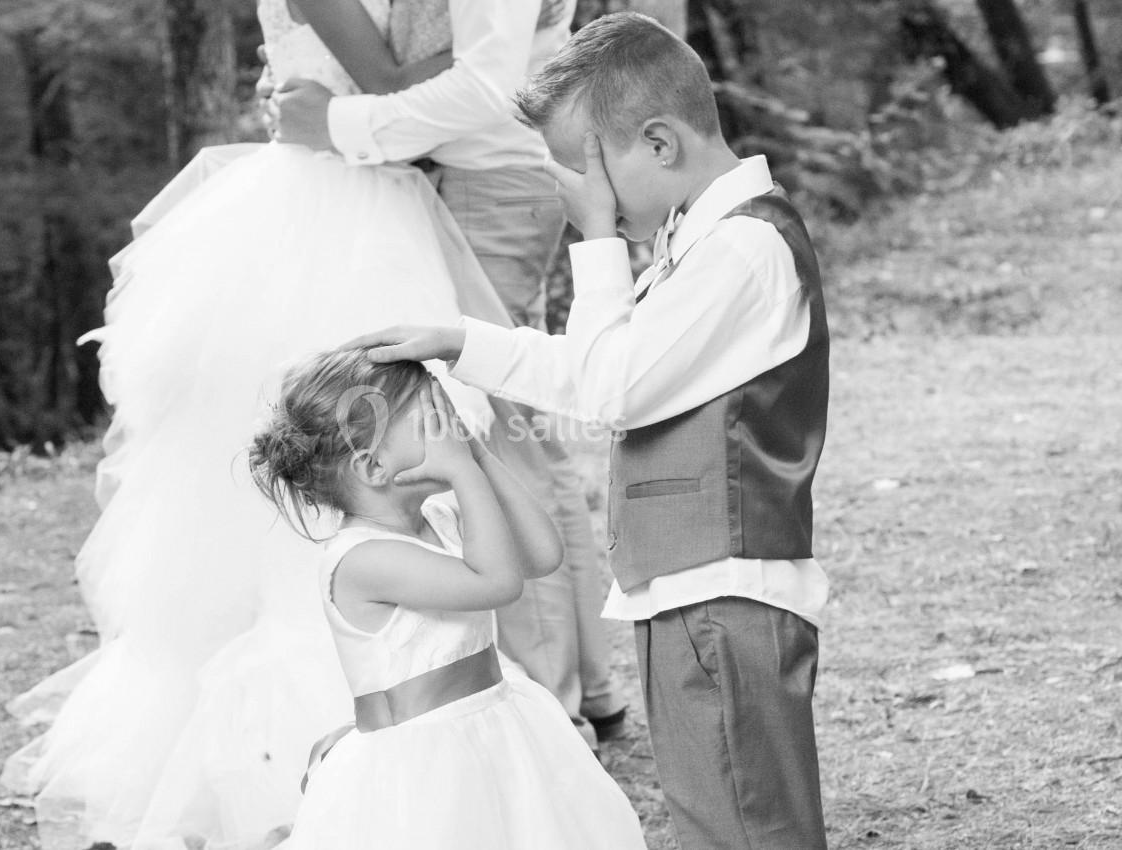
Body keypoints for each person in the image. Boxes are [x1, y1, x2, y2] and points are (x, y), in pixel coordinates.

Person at [1, 2, 581, 848]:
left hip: (384, 177)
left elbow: (432, 76)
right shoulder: (376, 551)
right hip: (337, 189)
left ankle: (540, 684)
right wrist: (504, 65)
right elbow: (395, 77)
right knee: (376, 408)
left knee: (463, 407)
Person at [351, 12, 832, 850]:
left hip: (722, 583)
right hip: (688, 581)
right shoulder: (701, 237)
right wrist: (463, 340)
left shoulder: (745, 250)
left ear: (658, 142)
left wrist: (599, 240)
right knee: (716, 813)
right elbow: (598, 368)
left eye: (585, 170)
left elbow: (607, 389)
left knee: (746, 824)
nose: (579, 195)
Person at [273, 0, 628, 746]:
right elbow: (439, 65)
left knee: (495, 431)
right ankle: (584, 684)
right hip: (440, 179)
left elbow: (485, 79)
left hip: (482, 177)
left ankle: (556, 699)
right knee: (520, 440)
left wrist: (339, 122)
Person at [244, 348, 646, 849]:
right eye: (431, 422)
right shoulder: (362, 559)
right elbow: (497, 584)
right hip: (424, 768)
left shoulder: (440, 517)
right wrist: (463, 472)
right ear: (373, 467)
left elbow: (542, 554)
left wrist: (477, 455)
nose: (449, 429)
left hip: (498, 728)